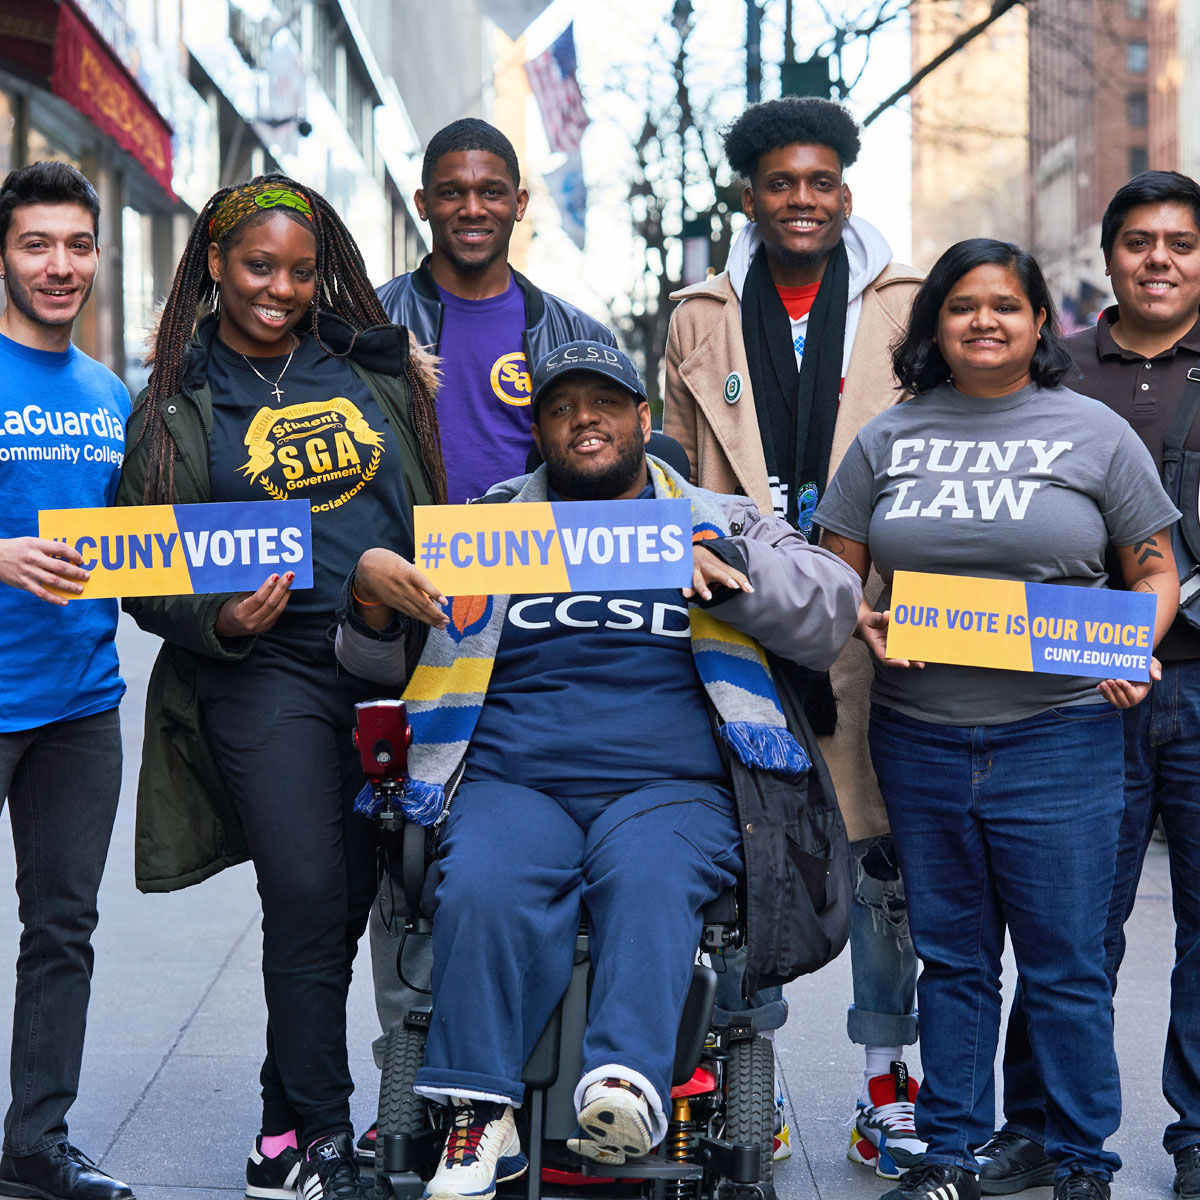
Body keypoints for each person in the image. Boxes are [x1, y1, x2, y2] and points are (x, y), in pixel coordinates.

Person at [335, 340, 863, 1200]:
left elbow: (833, 606)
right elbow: (370, 662)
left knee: (652, 875)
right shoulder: (484, 525)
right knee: (484, 879)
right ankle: (480, 1116)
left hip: (671, 786)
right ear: (539, 433)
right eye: (562, 407)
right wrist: (365, 597)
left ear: (644, 422)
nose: (586, 419)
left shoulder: (718, 516)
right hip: (516, 778)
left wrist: (730, 572)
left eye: (607, 403)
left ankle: (624, 1086)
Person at [814, 237, 1181, 1200]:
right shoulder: (888, 438)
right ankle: (950, 1155)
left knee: (1063, 963)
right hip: (920, 735)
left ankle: (1078, 1159)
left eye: (1006, 305)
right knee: (954, 958)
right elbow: (835, 569)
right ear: (936, 320)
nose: (985, 320)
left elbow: (1154, 570)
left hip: (1062, 736)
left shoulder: (1095, 431)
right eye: (964, 304)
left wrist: (1132, 646)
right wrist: (863, 619)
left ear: (1036, 323)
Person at [116, 174, 445, 1200]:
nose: (282, 289)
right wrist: (215, 617)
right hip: (263, 674)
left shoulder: (368, 367)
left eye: (301, 272)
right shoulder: (176, 400)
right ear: (213, 265)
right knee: (304, 890)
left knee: (343, 899)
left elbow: (426, 501)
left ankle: (277, 1126)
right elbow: (141, 568)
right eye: (259, 267)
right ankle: (330, 1142)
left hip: (382, 664)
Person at [661, 95, 925, 1177]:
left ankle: (889, 1081)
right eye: (781, 185)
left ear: (845, 192)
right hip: (746, 612)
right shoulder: (696, 316)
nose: (802, 200)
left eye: (820, 182)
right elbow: (675, 473)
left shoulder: (907, 304)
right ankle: (743, 1081)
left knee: (880, 864)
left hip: (879, 618)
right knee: (750, 853)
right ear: (751, 198)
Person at [983, 172, 1200, 1200]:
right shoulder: (1046, 368)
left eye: (1182, 244)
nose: (1160, 259)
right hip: (1068, 696)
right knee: (1065, 927)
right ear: (1108, 257)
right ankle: (1035, 1126)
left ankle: (1195, 1132)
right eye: (1141, 242)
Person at [0, 162, 135, 1200]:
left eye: (76, 245)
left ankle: (36, 1145)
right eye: (37, 244)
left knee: (63, 932)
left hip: (82, 704)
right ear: (5, 254)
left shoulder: (109, 394)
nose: (60, 266)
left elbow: (144, 552)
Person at [377, 117, 614, 503]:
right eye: (452, 193)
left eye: (491, 192)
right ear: (422, 203)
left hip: (539, 555)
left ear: (519, 204)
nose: (472, 209)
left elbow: (612, 472)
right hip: (407, 554)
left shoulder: (581, 337)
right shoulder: (371, 322)